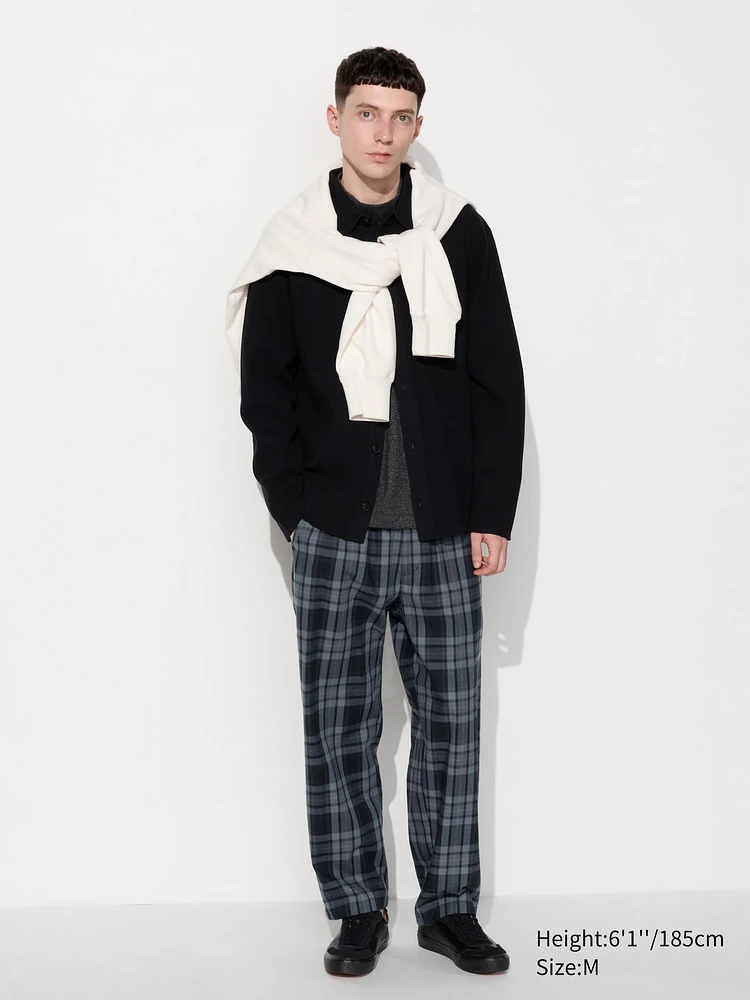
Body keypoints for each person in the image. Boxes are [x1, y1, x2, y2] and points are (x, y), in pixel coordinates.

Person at [227, 46, 525, 978]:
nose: (382, 133)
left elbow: (497, 380)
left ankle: (449, 911)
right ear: (336, 121)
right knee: (339, 731)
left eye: (400, 118)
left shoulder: (456, 234)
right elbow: (265, 395)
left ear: (417, 128)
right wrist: (298, 514)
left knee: (452, 732)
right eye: (366, 113)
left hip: (443, 532)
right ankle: (356, 911)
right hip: (335, 533)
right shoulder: (293, 242)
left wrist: (491, 512)